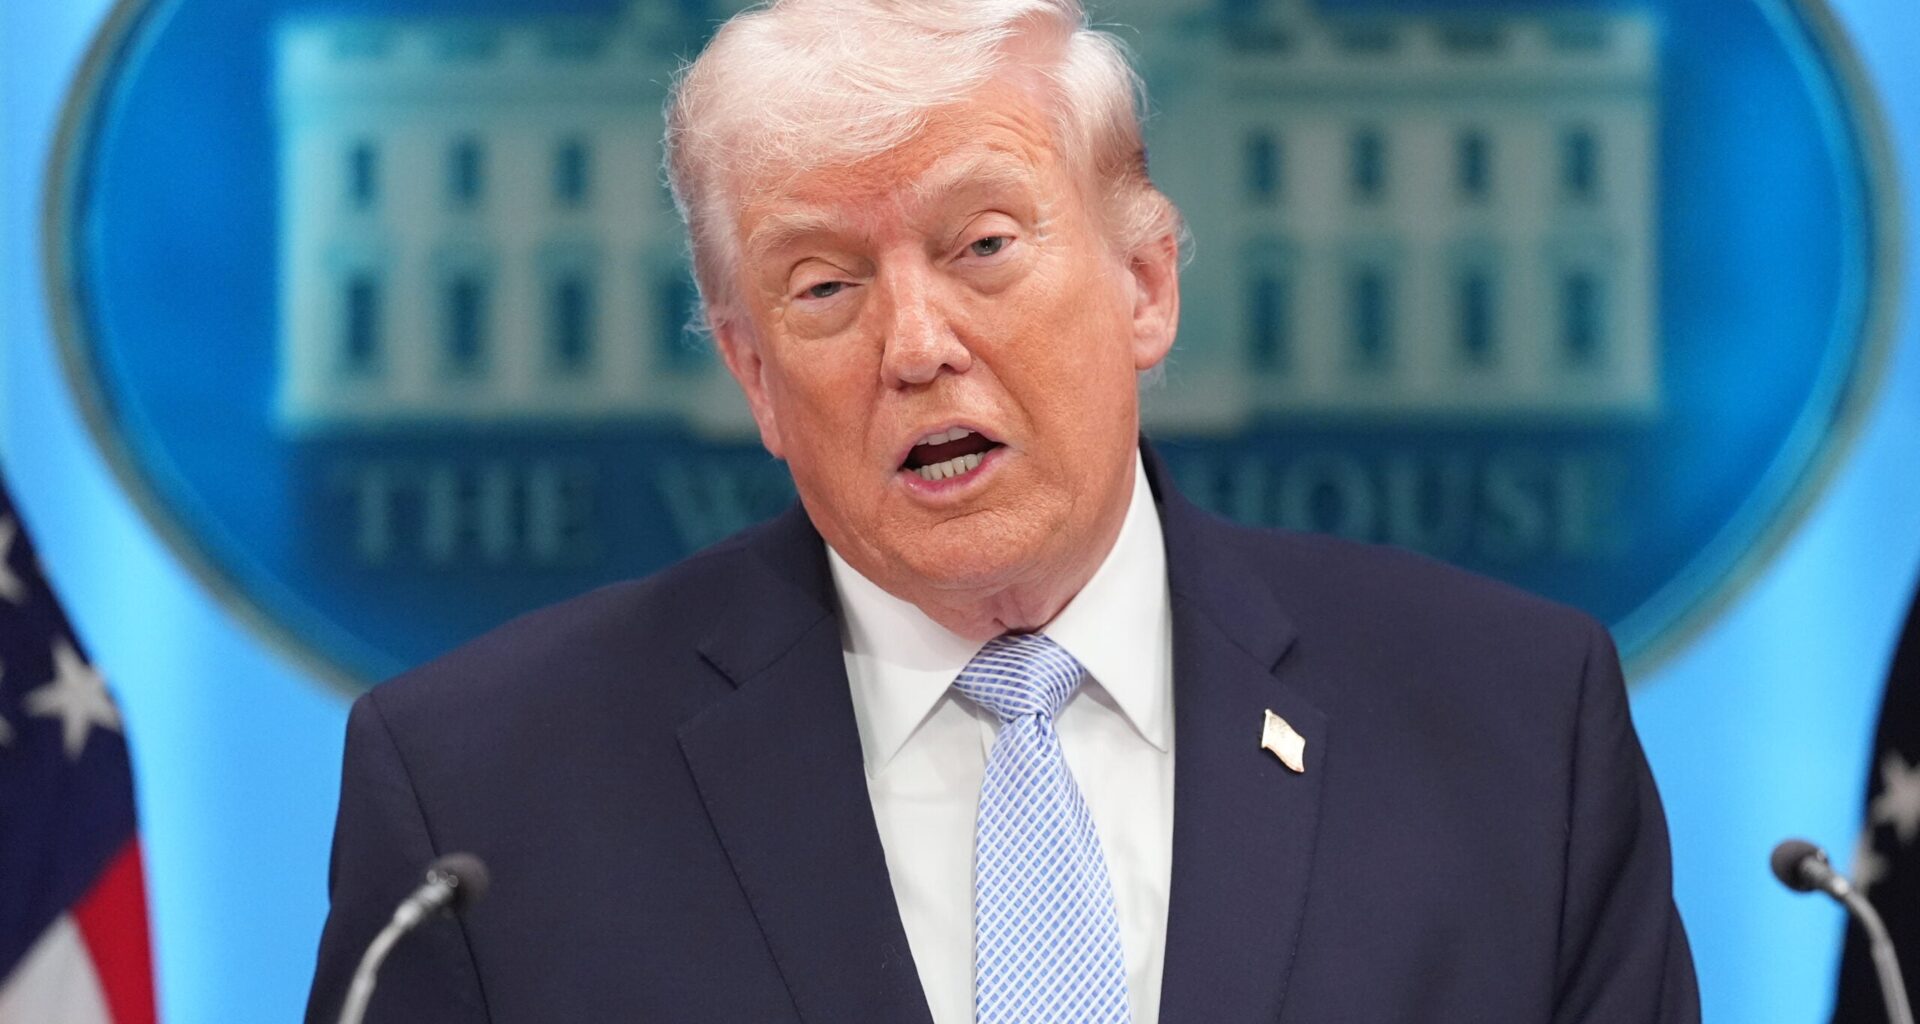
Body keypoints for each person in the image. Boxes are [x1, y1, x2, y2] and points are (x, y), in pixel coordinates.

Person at [307, 1, 1700, 1021]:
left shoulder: (1514, 730)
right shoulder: (482, 798)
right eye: (822, 286)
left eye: (982, 246)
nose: (914, 343)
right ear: (754, 378)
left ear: (1145, 283)